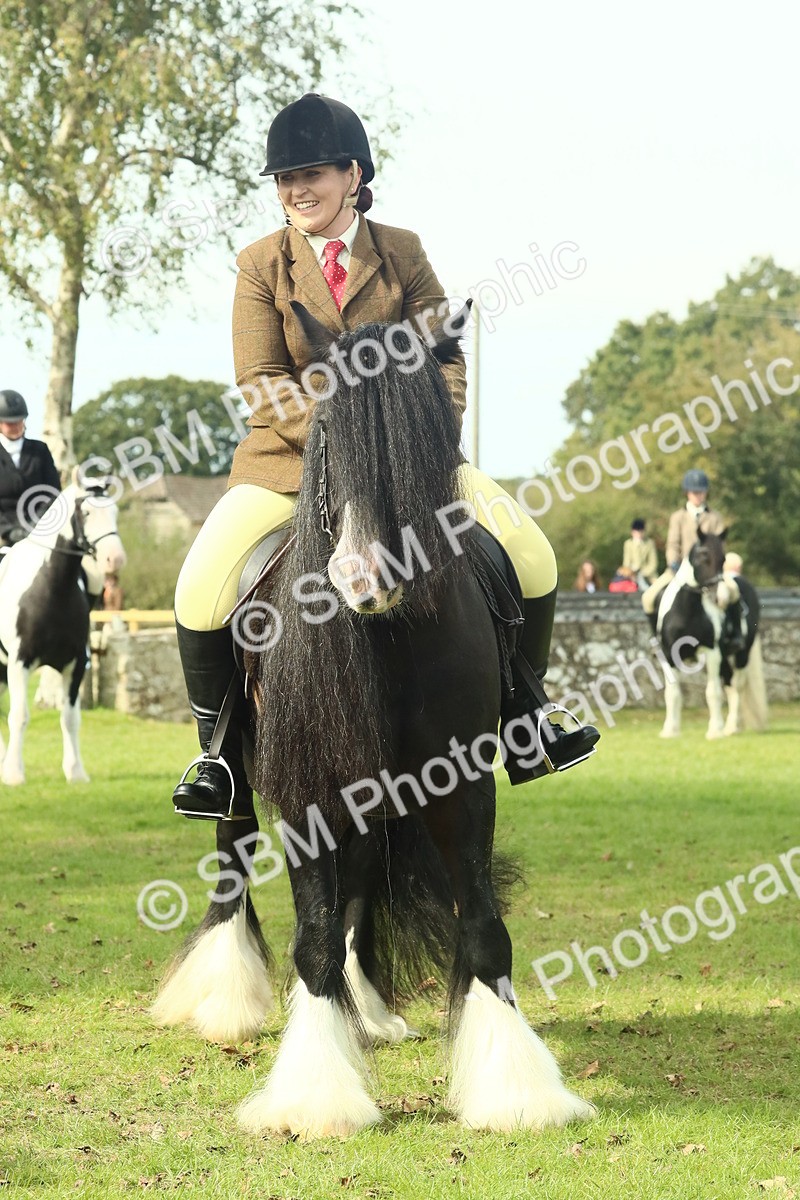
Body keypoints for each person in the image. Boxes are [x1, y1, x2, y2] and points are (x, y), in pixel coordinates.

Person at [171, 94, 600, 819]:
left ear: (353, 175)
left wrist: (418, 436)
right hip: (289, 466)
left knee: (531, 553)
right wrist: (346, 434)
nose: (296, 190)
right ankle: (220, 758)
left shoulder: (402, 251)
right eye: (285, 179)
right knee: (199, 587)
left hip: (412, 463)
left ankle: (527, 717)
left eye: (311, 174)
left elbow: (445, 359)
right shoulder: (260, 265)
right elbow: (261, 380)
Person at [641, 468, 744, 649]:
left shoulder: (714, 517)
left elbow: (719, 547)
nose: (698, 496)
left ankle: (735, 634)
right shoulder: (678, 517)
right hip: (681, 570)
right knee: (648, 598)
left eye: (701, 492)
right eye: (695, 492)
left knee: (733, 591)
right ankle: (656, 639)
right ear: (687, 493)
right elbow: (673, 544)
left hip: (709, 572)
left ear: (706, 493)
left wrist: (716, 568)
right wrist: (673, 563)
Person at [0, 390, 61, 549]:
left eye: (19, 421)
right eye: (10, 423)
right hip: (4, 535)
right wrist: (7, 530)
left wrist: (36, 524)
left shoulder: (40, 450)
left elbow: (53, 491)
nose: (16, 426)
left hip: (41, 530)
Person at [618, 518, 658, 589]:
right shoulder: (628, 544)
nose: (639, 534)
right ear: (632, 532)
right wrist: (630, 573)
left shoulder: (649, 543)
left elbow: (653, 563)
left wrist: (643, 574)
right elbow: (626, 562)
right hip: (632, 573)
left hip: (647, 574)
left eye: (641, 532)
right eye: (637, 532)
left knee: (657, 587)